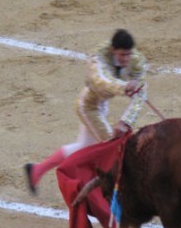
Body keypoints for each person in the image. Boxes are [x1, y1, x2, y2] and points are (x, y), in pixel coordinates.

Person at [25, 29, 147, 194]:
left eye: (128, 55)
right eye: (121, 55)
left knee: (83, 147)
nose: (126, 59)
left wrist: (126, 120)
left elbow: (141, 94)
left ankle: (37, 170)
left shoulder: (136, 61)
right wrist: (124, 87)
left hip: (102, 105)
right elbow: (100, 82)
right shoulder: (98, 58)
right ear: (113, 50)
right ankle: (102, 191)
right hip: (88, 107)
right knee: (110, 146)